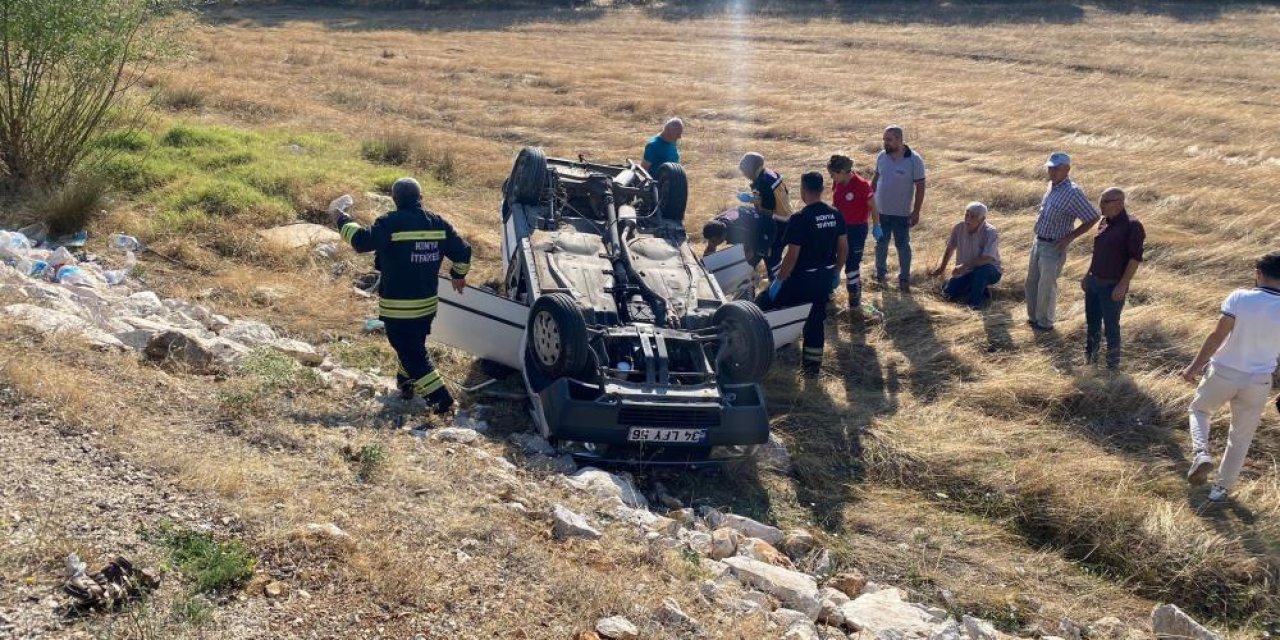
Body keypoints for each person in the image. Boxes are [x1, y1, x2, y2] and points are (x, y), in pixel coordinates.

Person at [332, 177, 472, 414]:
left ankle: (442, 402)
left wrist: (341, 219)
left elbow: (361, 241)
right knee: (412, 346)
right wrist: (459, 275)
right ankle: (405, 384)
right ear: (421, 198)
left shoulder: (390, 223)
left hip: (398, 308)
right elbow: (463, 251)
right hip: (427, 306)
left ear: (394, 200)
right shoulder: (437, 223)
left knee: (414, 355)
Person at [1181, 252, 1280, 503]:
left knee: (1200, 411)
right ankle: (1220, 491)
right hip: (1259, 381)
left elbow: (1216, 336)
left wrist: (1195, 366)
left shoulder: (1239, 297)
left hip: (1224, 371)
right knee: (1240, 437)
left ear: (1258, 274)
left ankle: (1201, 453)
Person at [768, 171, 848, 376]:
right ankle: (812, 370)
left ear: (804, 190)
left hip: (802, 279)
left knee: (767, 307)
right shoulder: (835, 214)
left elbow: (791, 256)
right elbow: (843, 247)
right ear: (821, 189)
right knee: (815, 322)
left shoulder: (800, 218)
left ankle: (767, 351)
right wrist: (836, 272)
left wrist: (778, 281)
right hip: (824, 279)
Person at [1025, 152, 1099, 331]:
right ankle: (1034, 318)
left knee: (1047, 285)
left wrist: (1069, 237)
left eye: (1056, 168)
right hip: (1039, 242)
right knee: (1032, 282)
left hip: (1054, 246)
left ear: (1067, 169)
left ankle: (1045, 323)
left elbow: (1092, 217)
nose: (1052, 171)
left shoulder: (1073, 192)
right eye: (1050, 168)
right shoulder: (1051, 186)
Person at [1080, 188, 1145, 369]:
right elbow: (1097, 253)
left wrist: (1122, 285)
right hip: (1094, 281)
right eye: (1101, 201)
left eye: (1106, 202)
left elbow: (1135, 258)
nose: (1101, 205)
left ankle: (1112, 367)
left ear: (1119, 203)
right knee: (1092, 323)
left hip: (1112, 285)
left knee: (1111, 327)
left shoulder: (1133, 225)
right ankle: (1090, 359)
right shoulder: (1103, 221)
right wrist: (1087, 275)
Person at [871, 125, 926, 293]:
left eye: (888, 140)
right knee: (881, 244)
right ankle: (880, 276)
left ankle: (904, 280)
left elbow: (921, 187)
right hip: (881, 213)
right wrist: (869, 203)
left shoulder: (914, 160)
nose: (885, 143)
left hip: (902, 215)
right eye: (884, 139)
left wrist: (916, 211)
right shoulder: (881, 156)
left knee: (902, 245)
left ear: (899, 140)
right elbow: (875, 179)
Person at [827, 154, 877, 312]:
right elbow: (835, 204)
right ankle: (828, 294)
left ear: (842, 171)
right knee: (832, 259)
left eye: (833, 174)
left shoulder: (861, 185)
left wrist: (877, 226)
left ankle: (854, 301)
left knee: (852, 266)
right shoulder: (837, 183)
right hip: (839, 228)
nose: (831, 178)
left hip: (856, 229)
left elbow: (874, 207)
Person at [929, 202, 1001, 310]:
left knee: (982, 272)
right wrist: (942, 268)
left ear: (982, 219)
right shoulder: (958, 228)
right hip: (966, 270)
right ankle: (979, 288)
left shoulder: (990, 232)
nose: (968, 219)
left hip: (990, 271)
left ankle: (974, 305)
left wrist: (963, 266)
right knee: (948, 293)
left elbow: (987, 258)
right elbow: (950, 248)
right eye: (966, 215)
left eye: (973, 217)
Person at [739, 152, 793, 280]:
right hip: (787, 218)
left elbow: (767, 210)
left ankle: (777, 287)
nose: (745, 175)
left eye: (745, 172)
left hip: (777, 223)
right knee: (774, 254)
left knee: (771, 256)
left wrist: (752, 202)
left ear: (752, 169)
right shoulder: (770, 173)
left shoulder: (761, 183)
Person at [702, 205, 772, 268]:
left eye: (714, 241)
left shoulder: (740, 232)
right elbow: (710, 248)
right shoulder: (716, 224)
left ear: (723, 235)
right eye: (711, 240)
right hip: (750, 218)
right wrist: (705, 264)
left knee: (750, 263)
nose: (712, 243)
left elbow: (749, 252)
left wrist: (731, 269)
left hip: (766, 228)